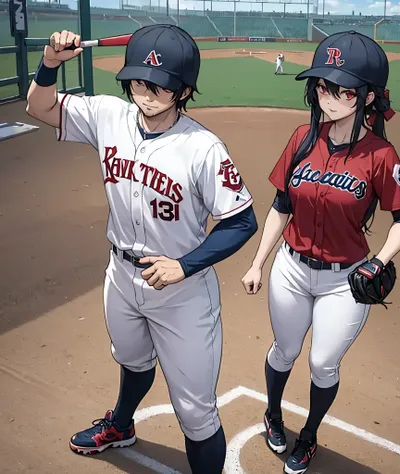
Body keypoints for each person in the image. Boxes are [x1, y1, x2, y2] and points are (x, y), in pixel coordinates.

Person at [26, 25, 258, 474]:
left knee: (195, 412)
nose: (145, 92)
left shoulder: (203, 148)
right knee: (131, 359)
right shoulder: (108, 115)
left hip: (182, 292)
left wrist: (184, 266)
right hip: (121, 275)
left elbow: (241, 220)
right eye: (137, 81)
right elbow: (38, 106)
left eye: (158, 85)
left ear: (184, 89)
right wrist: (51, 62)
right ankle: (121, 423)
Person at [241, 31, 400, 474]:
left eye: (341, 90)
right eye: (322, 86)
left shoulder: (379, 154)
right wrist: (258, 262)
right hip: (292, 270)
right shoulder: (303, 137)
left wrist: (382, 259)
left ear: (367, 96)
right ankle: (273, 415)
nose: (328, 96)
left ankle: (310, 434)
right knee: (284, 350)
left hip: (346, 279)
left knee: (322, 362)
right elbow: (282, 205)